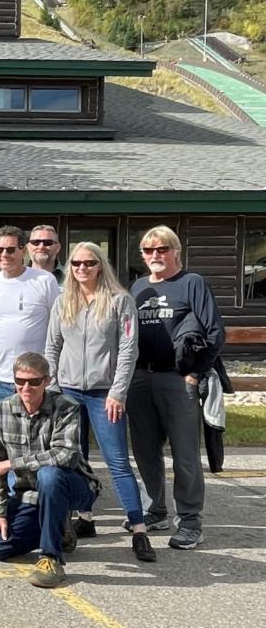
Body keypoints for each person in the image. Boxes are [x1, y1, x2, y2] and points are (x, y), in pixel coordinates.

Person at [44, 242, 156, 562]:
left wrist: (118, 392)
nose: (82, 268)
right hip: (66, 391)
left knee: (118, 462)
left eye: (89, 263)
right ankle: (85, 518)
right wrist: (51, 386)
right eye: (76, 263)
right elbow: (52, 347)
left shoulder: (120, 301)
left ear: (100, 265)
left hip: (103, 392)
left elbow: (128, 350)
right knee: (71, 459)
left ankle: (138, 529)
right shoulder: (64, 301)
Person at [127, 225, 225, 550]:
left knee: (184, 455)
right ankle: (155, 511)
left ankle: (190, 522)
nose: (155, 255)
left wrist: (195, 374)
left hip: (176, 378)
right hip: (141, 378)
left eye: (162, 249)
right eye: (149, 250)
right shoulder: (138, 286)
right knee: (144, 451)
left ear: (175, 251)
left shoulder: (191, 283)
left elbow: (214, 333)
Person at [0, 352, 99, 589]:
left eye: (34, 382)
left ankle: (51, 558)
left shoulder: (66, 407)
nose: (26, 387)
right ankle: (58, 529)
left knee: (49, 474)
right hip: (30, 494)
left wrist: (11, 464)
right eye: (20, 381)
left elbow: (66, 455)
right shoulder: (0, 411)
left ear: (46, 380)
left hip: (74, 485)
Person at [0, 226, 60, 404]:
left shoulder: (44, 281)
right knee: (3, 431)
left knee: (38, 431)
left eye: (10, 249)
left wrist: (52, 371)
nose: (4, 255)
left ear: (23, 250)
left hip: (35, 377)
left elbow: (57, 328)